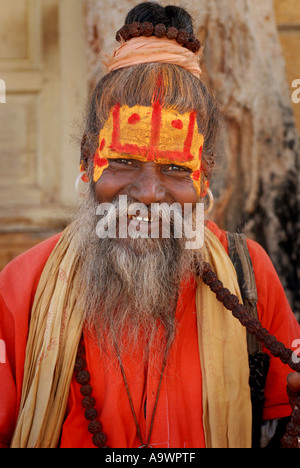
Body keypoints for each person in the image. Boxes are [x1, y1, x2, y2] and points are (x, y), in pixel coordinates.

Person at [0, 2, 300, 449]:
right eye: (122, 162)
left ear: (206, 174)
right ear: (87, 160)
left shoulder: (246, 274)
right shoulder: (22, 285)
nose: (148, 193)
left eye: (176, 169)